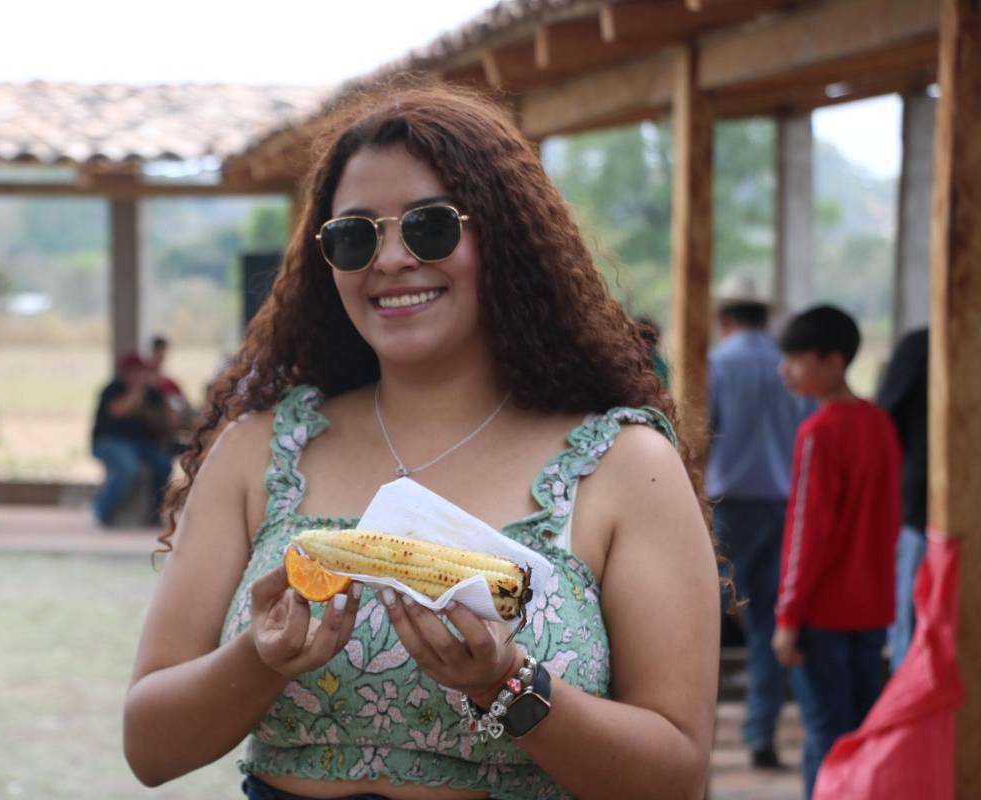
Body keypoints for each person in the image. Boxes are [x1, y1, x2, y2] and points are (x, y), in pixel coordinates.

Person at [123, 85, 720, 800]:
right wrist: (260, 658)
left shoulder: (623, 466)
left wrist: (508, 687)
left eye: (431, 226)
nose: (393, 258)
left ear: (503, 238)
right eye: (355, 235)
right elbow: (149, 747)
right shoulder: (260, 451)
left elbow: (676, 776)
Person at [772, 305, 901, 798]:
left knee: (824, 734)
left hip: (822, 613)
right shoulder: (880, 425)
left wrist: (788, 617)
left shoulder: (819, 433)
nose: (785, 370)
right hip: (872, 609)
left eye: (796, 359)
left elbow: (808, 535)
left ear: (832, 361)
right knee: (862, 731)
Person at [706, 273, 812, 770]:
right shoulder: (789, 366)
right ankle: (761, 736)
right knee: (772, 623)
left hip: (728, 507)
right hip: (784, 507)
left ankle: (693, 737)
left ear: (724, 317)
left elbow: (697, 436)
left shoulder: (717, 364)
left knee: (699, 622)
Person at [875, 327, 929, 671]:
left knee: (914, 635)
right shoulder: (922, 347)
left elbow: (883, 422)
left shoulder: (922, 345)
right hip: (924, 514)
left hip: (923, 515)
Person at [91, 353, 174, 527]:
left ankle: (154, 513)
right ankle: (102, 510)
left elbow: (167, 421)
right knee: (128, 468)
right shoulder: (113, 389)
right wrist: (138, 391)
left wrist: (163, 393)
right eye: (133, 372)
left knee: (164, 464)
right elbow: (118, 410)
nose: (137, 375)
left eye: (141, 371)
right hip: (111, 441)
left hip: (143, 444)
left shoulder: (153, 393)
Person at [146, 335, 197, 452]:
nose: (159, 357)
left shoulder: (170, 383)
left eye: (162, 353)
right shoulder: (142, 383)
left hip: (174, 429)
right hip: (153, 432)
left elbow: (185, 404)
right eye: (156, 352)